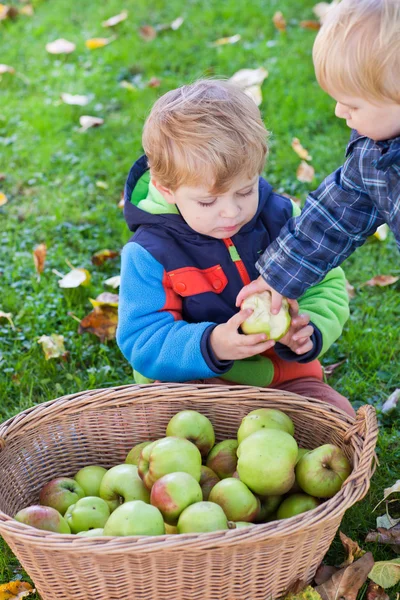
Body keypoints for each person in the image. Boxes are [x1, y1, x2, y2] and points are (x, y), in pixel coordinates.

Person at [116, 79, 354, 416]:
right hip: (196, 383)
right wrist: (213, 345)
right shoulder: (150, 253)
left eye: (245, 191)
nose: (231, 212)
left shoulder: (285, 220)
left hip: (284, 379)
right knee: (169, 425)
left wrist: (308, 330)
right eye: (208, 200)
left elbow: (327, 284)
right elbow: (142, 338)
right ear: (166, 189)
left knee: (336, 417)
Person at [236, 0, 400, 313]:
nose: (340, 112)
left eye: (352, 105)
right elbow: (336, 213)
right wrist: (277, 276)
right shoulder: (372, 152)